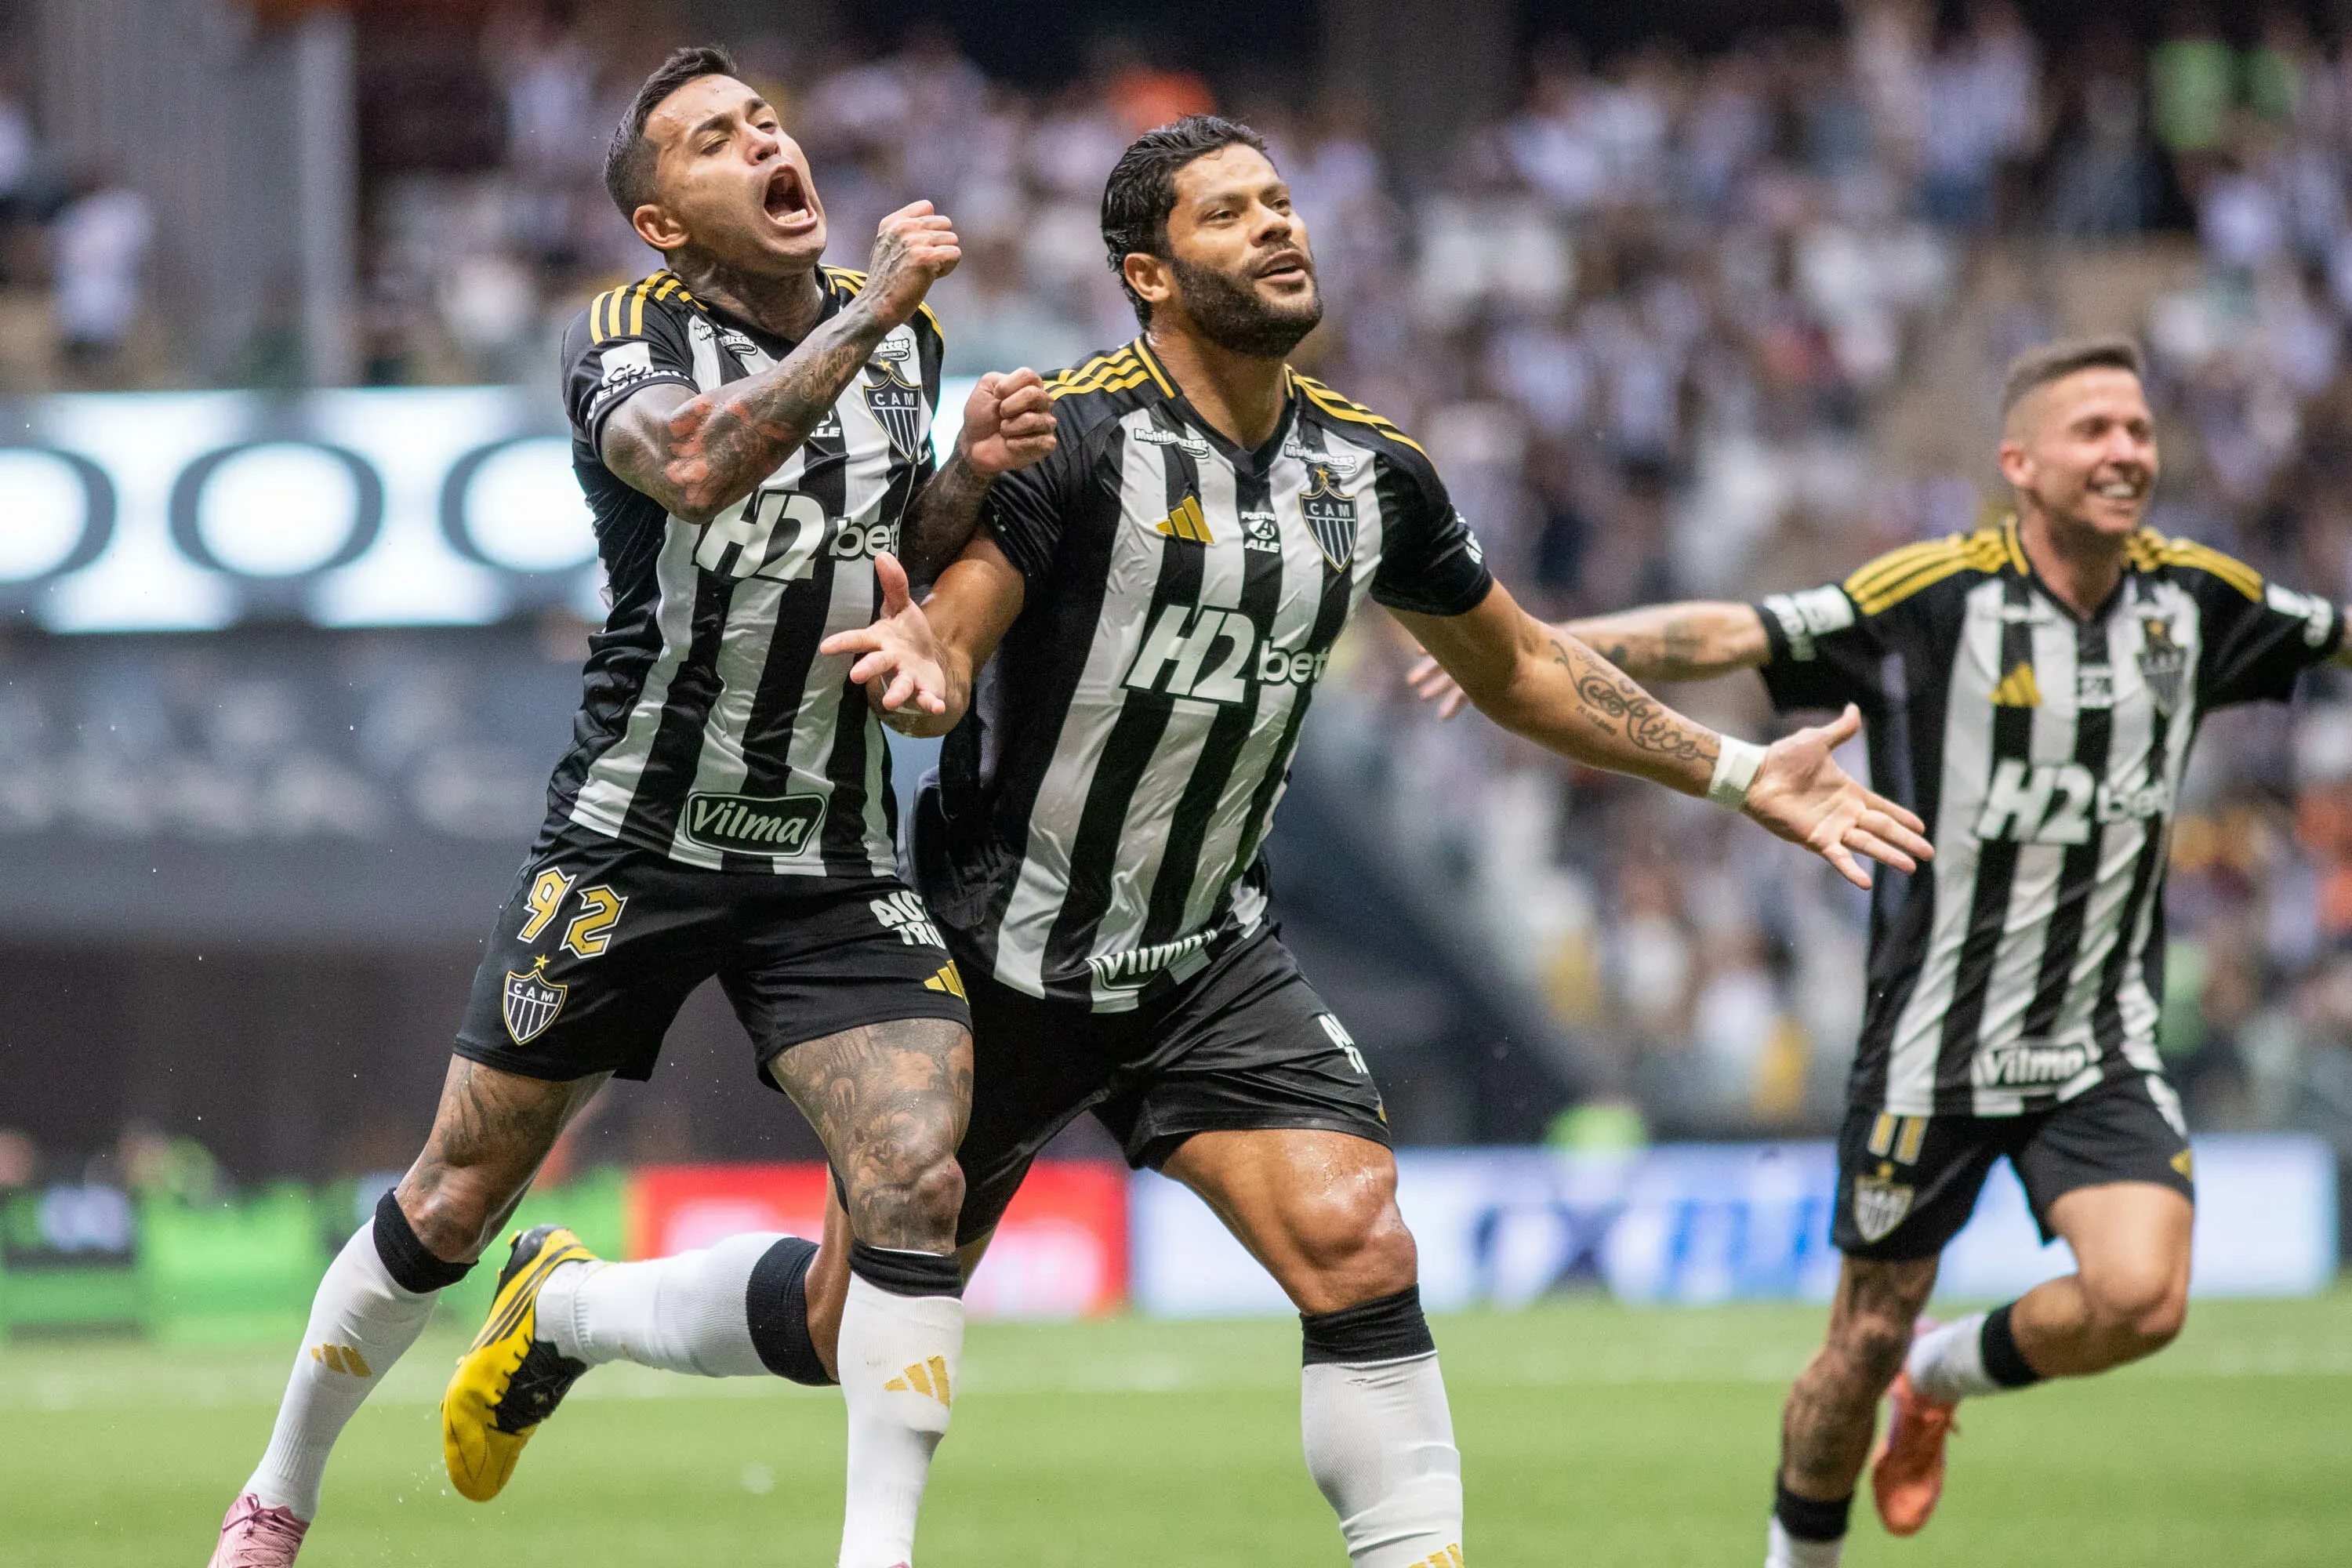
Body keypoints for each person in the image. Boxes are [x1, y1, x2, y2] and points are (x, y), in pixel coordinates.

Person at [724, 112, 1903, 1566]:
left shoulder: (1370, 471)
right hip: (999, 948)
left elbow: (1520, 669)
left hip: (1208, 957)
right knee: (837, 1328)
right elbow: (956, 631)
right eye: (1231, 215)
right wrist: (931, 670)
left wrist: (1739, 772)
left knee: (1359, 1239)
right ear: (1148, 275)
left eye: (1282, 202)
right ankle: (575, 1309)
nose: (1280, 226)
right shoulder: (1074, 437)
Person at [206, 45, 1055, 1568]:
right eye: (718, 141)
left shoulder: (898, 346)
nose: (766, 144)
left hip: (830, 850)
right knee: (458, 1190)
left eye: (769, 121)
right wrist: (873, 316)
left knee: (916, 1192)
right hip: (635, 834)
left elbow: (875, 544)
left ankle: (847, 1530)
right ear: (663, 221)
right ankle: (276, 1495)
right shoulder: (625, 332)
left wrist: (961, 480)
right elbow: (704, 466)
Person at [1410, 336, 2351, 1566]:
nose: (2127, 453)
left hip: (2095, 1038)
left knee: (2142, 1300)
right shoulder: (1935, 595)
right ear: (2020, 463)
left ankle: (1944, 1380)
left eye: (2140, 432)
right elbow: (1726, 634)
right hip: (1931, 1047)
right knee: (1853, 1350)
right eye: (2096, 432)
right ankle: (1801, 1552)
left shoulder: (2199, 599)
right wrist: (1534, 640)